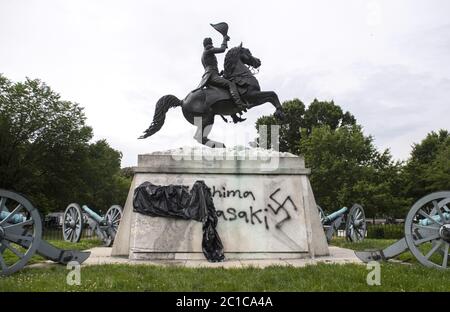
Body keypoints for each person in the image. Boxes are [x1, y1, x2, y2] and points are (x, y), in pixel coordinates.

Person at [196, 35, 246, 111]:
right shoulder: (208, 50)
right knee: (230, 84)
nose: (212, 45)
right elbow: (222, 49)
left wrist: (219, 74)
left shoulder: (204, 54)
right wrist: (224, 40)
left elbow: (211, 68)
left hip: (211, 75)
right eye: (211, 43)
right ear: (208, 44)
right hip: (211, 76)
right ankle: (240, 104)